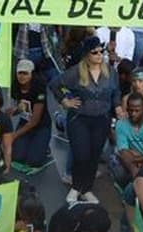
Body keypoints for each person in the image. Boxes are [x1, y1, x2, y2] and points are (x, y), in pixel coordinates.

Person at [50, 36, 122, 204]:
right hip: (79, 119)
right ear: (87, 55)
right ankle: (76, 187)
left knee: (94, 156)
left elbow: (116, 91)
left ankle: (86, 188)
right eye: (94, 52)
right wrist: (65, 101)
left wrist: (117, 105)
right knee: (81, 155)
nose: (99, 54)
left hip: (102, 120)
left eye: (101, 51)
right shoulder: (76, 72)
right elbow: (55, 84)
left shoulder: (111, 72)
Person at [9, 59, 52, 171]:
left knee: (34, 161)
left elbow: (35, 120)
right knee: (17, 157)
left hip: (41, 125)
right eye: (20, 73)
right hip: (25, 122)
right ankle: (35, 144)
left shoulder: (39, 87)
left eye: (25, 73)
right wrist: (13, 111)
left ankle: (44, 146)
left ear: (32, 73)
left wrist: (14, 135)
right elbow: (23, 107)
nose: (22, 76)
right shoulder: (15, 87)